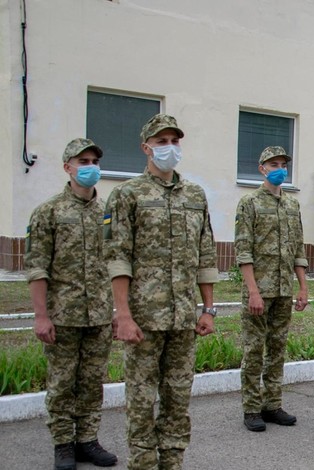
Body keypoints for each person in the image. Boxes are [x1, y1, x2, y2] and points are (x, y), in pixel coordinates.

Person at [105, 114, 218, 469]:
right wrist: (122, 315)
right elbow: (117, 258)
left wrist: (208, 309)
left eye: (174, 141)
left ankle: (172, 463)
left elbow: (206, 255)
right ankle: (141, 464)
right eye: (162, 141)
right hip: (143, 320)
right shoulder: (127, 194)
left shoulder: (195, 195)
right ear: (146, 148)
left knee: (177, 399)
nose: (169, 147)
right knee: (140, 401)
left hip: (184, 318)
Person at [26, 138, 117, 470]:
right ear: (67, 167)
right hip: (63, 315)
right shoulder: (48, 212)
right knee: (63, 383)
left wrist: (120, 312)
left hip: (100, 314)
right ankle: (63, 443)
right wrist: (40, 316)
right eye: (83, 161)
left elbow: (116, 264)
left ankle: (87, 441)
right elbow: (37, 267)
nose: (90, 166)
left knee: (93, 381)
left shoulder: (108, 213)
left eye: (94, 160)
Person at [234, 146, 309, 432]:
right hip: (259, 290)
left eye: (283, 163)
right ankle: (252, 408)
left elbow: (299, 249)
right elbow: (243, 250)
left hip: (283, 290)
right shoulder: (249, 203)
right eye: (273, 163)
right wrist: (252, 290)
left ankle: (272, 404)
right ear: (261, 168)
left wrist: (302, 287)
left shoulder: (292, 205)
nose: (279, 167)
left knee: (277, 349)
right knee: (254, 351)